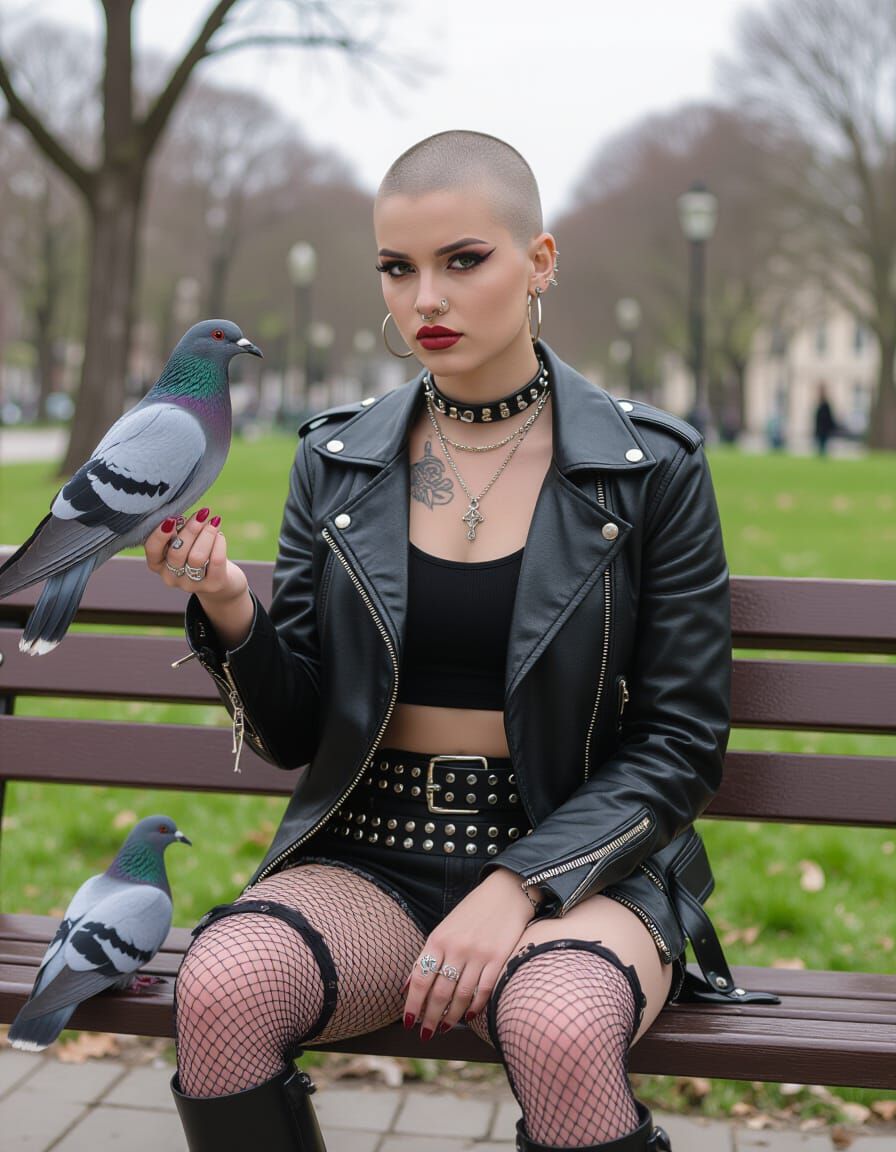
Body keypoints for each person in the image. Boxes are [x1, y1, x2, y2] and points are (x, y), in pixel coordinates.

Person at [145, 131, 758, 1152]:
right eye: (397, 267)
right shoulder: (335, 463)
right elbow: (295, 730)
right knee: (222, 987)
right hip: (372, 851)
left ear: (539, 263)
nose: (423, 297)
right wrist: (229, 610)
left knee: (556, 1024)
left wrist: (520, 884)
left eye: (461, 260)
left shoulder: (648, 469)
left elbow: (680, 744)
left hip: (575, 856)